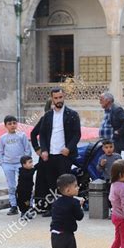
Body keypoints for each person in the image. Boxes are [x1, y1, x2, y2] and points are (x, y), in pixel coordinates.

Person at [39, 87, 81, 217]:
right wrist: (44, 150)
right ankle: (53, 208)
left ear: (64, 97)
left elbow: (77, 134)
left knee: (65, 183)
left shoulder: (72, 114)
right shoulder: (47, 116)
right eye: (56, 98)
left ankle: (67, 209)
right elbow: (42, 135)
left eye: (60, 97)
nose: (58, 100)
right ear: (52, 99)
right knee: (51, 183)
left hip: (64, 155)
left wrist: (68, 148)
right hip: (50, 155)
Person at [50, 174, 84, 248]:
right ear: (68, 190)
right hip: (67, 234)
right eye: (75, 186)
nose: (78, 187)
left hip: (54, 233)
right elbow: (80, 217)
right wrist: (80, 206)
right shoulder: (74, 203)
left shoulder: (56, 202)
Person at [0, 115, 32, 216]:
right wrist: (2, 163)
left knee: (25, 186)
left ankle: (28, 205)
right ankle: (13, 206)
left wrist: (26, 163)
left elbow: (27, 149)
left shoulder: (22, 136)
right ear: (5, 126)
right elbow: (0, 151)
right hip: (8, 165)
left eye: (14, 123)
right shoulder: (3, 138)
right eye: (9, 124)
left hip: (20, 165)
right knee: (11, 186)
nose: (12, 125)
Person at [30, 102, 52, 213]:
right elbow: (33, 134)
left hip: (58, 155)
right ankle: (42, 205)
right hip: (45, 155)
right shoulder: (45, 119)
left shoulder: (63, 118)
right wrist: (37, 149)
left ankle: (53, 206)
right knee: (43, 180)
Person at [16, 155, 38, 220]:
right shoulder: (22, 171)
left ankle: (26, 212)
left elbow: (35, 167)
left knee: (27, 202)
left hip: (28, 190)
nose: (32, 164)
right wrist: (33, 169)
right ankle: (23, 213)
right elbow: (28, 175)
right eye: (30, 162)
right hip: (22, 191)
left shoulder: (30, 170)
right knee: (22, 202)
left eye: (32, 162)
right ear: (24, 164)